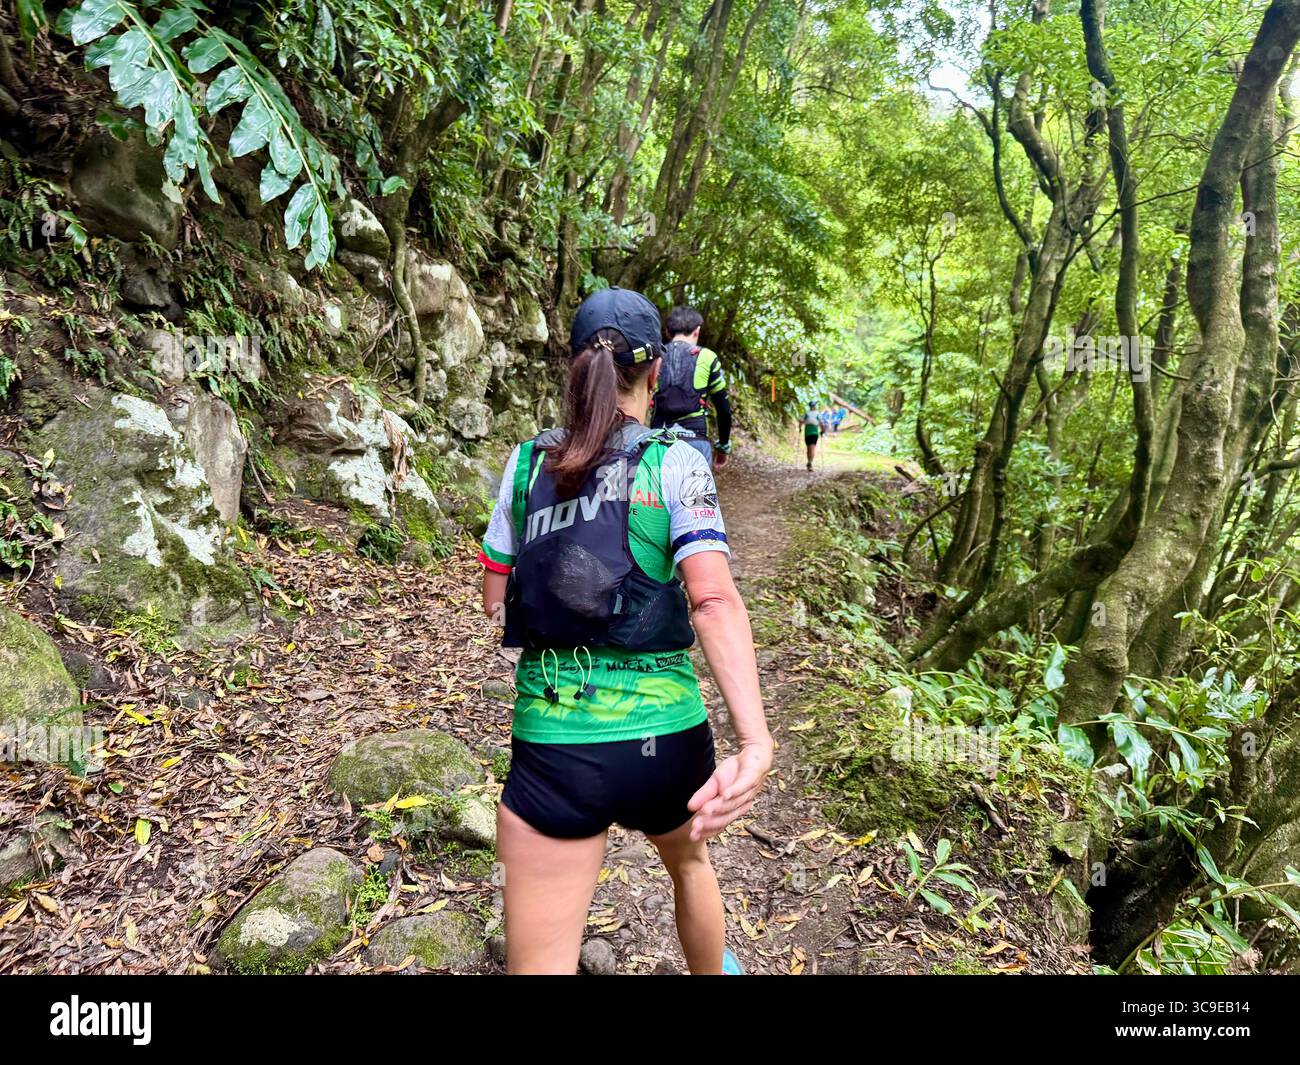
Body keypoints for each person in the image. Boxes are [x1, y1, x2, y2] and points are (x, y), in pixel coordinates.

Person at [478, 287, 772, 976]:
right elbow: (713, 601)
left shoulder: (525, 465)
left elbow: (495, 595)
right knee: (690, 861)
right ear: (655, 375)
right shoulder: (676, 463)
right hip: (664, 744)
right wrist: (754, 740)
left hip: (556, 750)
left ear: (574, 368)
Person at [649, 305, 732, 469]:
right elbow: (723, 410)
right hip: (695, 442)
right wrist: (723, 447)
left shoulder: (655, 357)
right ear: (697, 331)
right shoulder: (707, 357)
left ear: (667, 331)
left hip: (658, 441)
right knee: (697, 495)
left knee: (659, 494)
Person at [802, 403, 820, 471]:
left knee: (811, 448)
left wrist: (800, 427)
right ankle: (809, 462)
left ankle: (810, 463)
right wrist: (823, 430)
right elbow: (821, 422)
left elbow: (801, 420)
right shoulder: (809, 413)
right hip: (810, 433)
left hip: (811, 433)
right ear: (813, 406)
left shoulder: (808, 413)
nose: (815, 406)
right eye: (815, 405)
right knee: (810, 449)